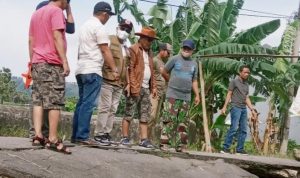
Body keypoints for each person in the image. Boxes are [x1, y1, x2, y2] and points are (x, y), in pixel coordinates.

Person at [71, 1, 119, 145]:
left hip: (81, 69)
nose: (108, 18)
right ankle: (83, 136)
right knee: (88, 104)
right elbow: (105, 50)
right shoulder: (99, 27)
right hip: (92, 69)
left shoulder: (85, 26)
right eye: (109, 15)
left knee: (81, 103)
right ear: (104, 14)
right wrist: (114, 69)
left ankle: (75, 135)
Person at [29, 0, 71, 154]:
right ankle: (53, 138)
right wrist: (64, 61)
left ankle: (38, 135)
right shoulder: (56, 12)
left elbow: (31, 40)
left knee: (38, 100)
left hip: (37, 62)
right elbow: (57, 36)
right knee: (54, 100)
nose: (67, 5)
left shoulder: (36, 13)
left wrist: (32, 61)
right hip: (51, 62)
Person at [94, 19, 133, 145]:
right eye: (123, 28)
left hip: (119, 83)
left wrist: (127, 83)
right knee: (104, 107)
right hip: (107, 79)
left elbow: (127, 67)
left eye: (128, 30)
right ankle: (99, 133)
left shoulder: (127, 47)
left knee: (113, 108)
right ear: (118, 27)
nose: (125, 31)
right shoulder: (110, 39)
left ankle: (106, 132)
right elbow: (102, 55)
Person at [120, 27, 158, 148]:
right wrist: (131, 85)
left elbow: (152, 70)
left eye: (151, 40)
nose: (149, 42)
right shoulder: (134, 49)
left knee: (144, 115)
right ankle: (124, 137)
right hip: (136, 86)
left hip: (146, 88)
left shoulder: (150, 53)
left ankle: (144, 139)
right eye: (148, 39)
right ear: (141, 38)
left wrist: (154, 87)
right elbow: (130, 68)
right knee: (129, 113)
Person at [160, 39, 200, 152]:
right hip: (172, 94)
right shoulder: (174, 59)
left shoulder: (194, 64)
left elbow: (194, 81)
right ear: (182, 48)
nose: (186, 50)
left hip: (186, 96)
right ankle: (164, 144)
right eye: (185, 48)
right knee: (169, 119)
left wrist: (197, 95)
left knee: (183, 122)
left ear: (192, 50)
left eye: (189, 49)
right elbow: (164, 71)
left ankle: (181, 145)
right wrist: (170, 81)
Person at [220, 65, 256, 155]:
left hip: (243, 108)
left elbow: (246, 97)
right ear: (240, 72)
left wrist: (252, 109)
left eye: (248, 73)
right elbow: (229, 94)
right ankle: (225, 148)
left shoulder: (246, 84)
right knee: (234, 127)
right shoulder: (234, 82)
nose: (247, 74)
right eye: (245, 72)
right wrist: (224, 107)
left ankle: (240, 150)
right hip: (235, 107)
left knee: (243, 129)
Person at [148, 43, 172, 141]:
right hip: (154, 92)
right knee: (151, 116)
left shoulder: (164, 62)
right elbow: (150, 76)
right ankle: (145, 138)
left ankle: (150, 139)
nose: (169, 54)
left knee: (158, 118)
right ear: (162, 50)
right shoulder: (154, 61)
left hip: (162, 93)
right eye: (168, 52)